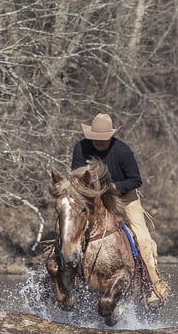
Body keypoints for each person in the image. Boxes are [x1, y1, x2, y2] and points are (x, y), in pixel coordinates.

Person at [71, 112, 170, 305]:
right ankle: (59, 278)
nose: (98, 143)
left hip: (123, 197)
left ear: (110, 136)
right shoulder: (81, 148)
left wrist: (115, 187)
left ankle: (153, 289)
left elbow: (136, 179)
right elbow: (75, 176)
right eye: (95, 139)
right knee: (69, 227)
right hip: (91, 199)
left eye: (103, 139)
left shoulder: (122, 150)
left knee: (142, 238)